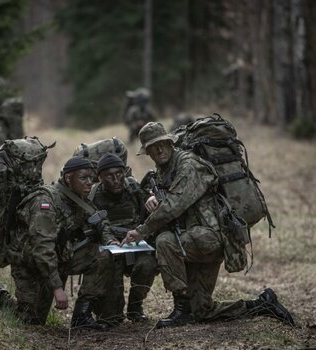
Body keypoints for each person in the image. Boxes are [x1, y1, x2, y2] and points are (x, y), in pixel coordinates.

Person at [122, 122, 294, 328]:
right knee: (203, 310)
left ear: (170, 143)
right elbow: (164, 194)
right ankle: (262, 304)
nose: (159, 149)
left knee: (165, 241)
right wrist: (151, 196)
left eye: (162, 144)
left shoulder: (189, 165)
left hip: (211, 237)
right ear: (147, 152)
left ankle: (181, 309)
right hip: (192, 239)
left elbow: (174, 205)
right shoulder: (162, 171)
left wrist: (141, 231)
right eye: (152, 147)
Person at [0, 156, 118, 330]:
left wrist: (110, 239)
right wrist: (57, 287)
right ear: (67, 178)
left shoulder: (79, 197)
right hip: (31, 264)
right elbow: (42, 249)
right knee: (30, 320)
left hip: (58, 258)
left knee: (102, 255)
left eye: (91, 178)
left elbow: (100, 220)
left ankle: (82, 316)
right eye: (83, 178)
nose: (89, 183)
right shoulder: (45, 202)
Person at [89, 153, 158, 325]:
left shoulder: (133, 188)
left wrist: (150, 198)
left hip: (134, 244)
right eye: (109, 176)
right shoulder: (92, 195)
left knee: (147, 265)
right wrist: (109, 241)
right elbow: (94, 224)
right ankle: (110, 311)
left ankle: (135, 307)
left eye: (119, 174)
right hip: (108, 248)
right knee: (111, 316)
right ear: (100, 177)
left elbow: (147, 203)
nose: (116, 180)